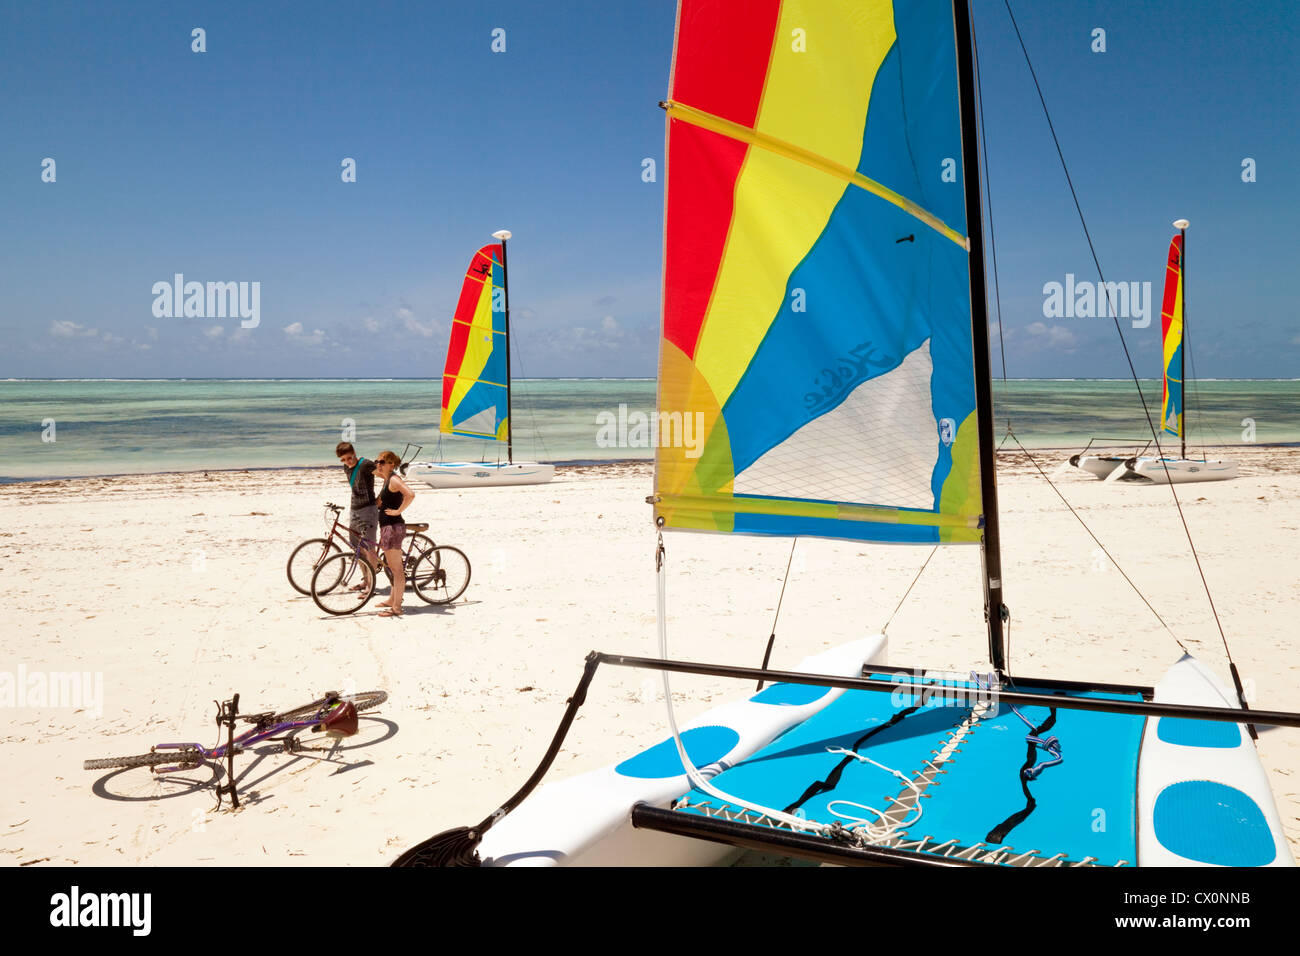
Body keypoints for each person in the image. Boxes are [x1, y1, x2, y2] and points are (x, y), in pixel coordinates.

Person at [373, 450, 415, 618]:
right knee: (392, 567)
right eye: (377, 461)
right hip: (387, 527)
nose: (378, 464)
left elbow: (410, 494)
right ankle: (392, 600)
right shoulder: (387, 479)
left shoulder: (394, 480)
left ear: (391, 464)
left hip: (392, 527)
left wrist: (398, 511)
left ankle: (397, 607)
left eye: (382, 462)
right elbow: (374, 471)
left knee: (397, 570)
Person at [336, 442, 379, 572]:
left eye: (349, 457)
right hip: (354, 510)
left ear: (354, 453)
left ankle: (371, 584)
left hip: (368, 510)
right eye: (343, 460)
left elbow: (387, 476)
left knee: (369, 547)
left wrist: (381, 497)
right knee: (356, 547)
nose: (347, 461)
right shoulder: (346, 468)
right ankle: (366, 580)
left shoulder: (366, 465)